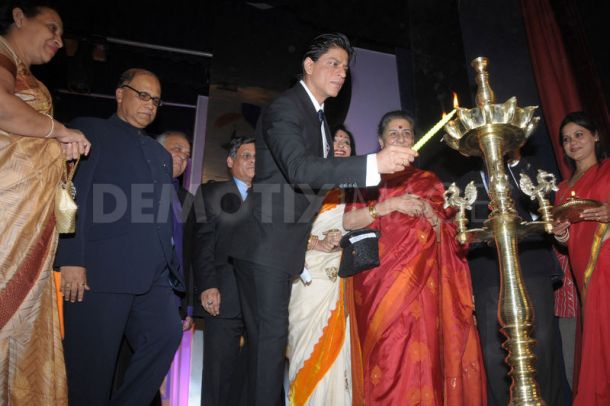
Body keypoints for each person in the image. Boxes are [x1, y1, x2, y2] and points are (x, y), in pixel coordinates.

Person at [230, 33, 417, 406]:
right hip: (265, 244)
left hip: (284, 248)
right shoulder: (287, 108)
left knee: (268, 350)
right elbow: (300, 169)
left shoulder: (317, 117)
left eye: (346, 67)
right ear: (309, 65)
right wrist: (372, 163)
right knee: (268, 350)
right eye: (333, 62)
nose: (341, 72)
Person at [55, 68, 185, 405]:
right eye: (142, 95)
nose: (149, 105)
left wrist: (171, 270)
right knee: (91, 372)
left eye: (155, 100)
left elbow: (159, 217)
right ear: (119, 94)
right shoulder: (90, 130)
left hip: (152, 275)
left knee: (167, 334)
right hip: (100, 271)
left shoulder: (159, 155)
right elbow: (71, 194)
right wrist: (70, 259)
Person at [342, 110, 486, 405]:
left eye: (406, 133)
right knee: (385, 355)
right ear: (381, 140)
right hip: (377, 282)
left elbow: (450, 233)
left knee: (424, 356)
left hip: (423, 284)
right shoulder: (366, 177)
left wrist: (433, 216)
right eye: (393, 133)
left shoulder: (429, 181)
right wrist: (390, 204)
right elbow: (348, 222)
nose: (400, 137)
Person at [0, 2, 90, 404]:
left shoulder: (22, 72)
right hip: (8, 214)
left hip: (30, 215)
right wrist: (57, 131)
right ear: (19, 16)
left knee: (23, 320)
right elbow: (3, 109)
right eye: (51, 27)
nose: (58, 40)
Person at [459, 148, 571, 406]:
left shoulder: (531, 170)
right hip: (488, 274)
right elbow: (467, 232)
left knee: (542, 343)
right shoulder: (470, 181)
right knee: (493, 349)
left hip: (532, 266)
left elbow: (550, 210)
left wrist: (516, 164)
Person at [286, 125, 355, 405]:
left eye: (346, 142)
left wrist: (347, 238)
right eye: (334, 140)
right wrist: (316, 242)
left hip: (343, 276)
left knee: (343, 354)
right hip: (308, 275)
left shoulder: (358, 189)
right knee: (306, 350)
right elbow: (283, 229)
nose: (340, 145)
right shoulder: (304, 185)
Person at [552, 111, 610, 405]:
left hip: (608, 261)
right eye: (566, 139)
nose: (572, 143)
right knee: (598, 338)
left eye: (579, 135)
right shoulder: (562, 190)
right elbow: (565, 239)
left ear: (595, 136)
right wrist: (560, 235)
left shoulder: (609, 171)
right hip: (584, 270)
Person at [193, 136, 255, 406]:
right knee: (218, 371)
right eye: (246, 156)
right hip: (224, 294)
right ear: (230, 162)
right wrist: (208, 285)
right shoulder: (210, 193)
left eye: (257, 157)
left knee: (255, 374)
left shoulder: (273, 196)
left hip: (262, 300)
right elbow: (203, 242)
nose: (253, 161)